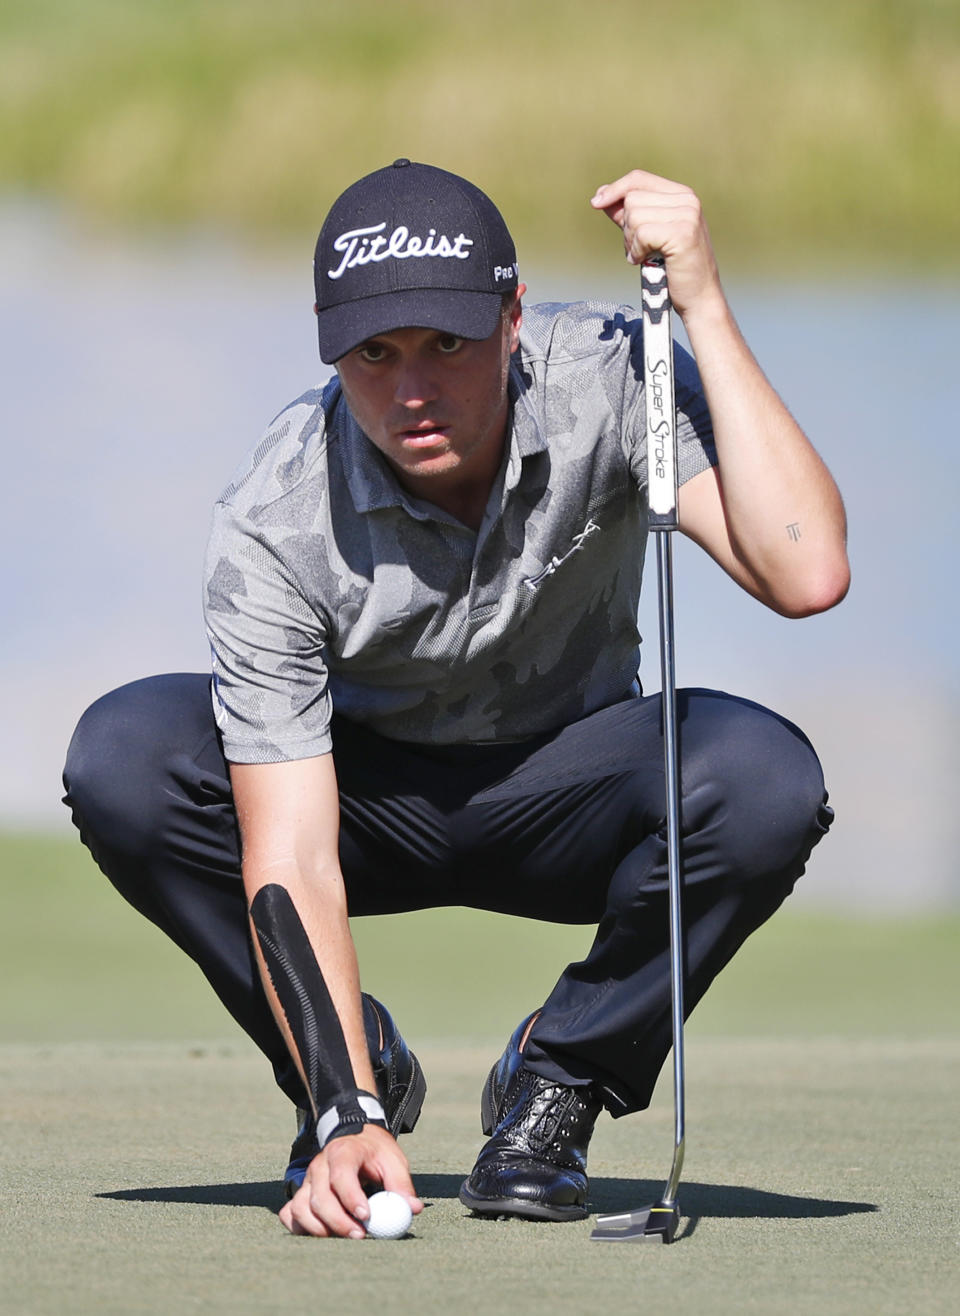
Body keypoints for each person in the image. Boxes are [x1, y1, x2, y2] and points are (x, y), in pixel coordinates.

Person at [63, 159, 849, 1240]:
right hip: (362, 799)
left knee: (762, 776)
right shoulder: (274, 512)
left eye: (447, 344)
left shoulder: (613, 377)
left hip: (568, 788)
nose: (412, 389)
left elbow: (803, 572)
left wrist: (702, 302)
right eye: (374, 354)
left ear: (513, 316)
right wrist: (344, 1105)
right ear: (330, 343)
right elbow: (291, 854)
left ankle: (560, 1075)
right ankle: (354, 1064)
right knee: (127, 755)